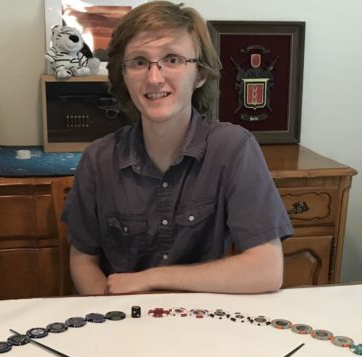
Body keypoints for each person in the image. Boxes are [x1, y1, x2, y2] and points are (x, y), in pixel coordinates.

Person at [61, 1, 294, 295]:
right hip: (125, 326)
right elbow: (83, 259)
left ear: (200, 74)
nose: (154, 77)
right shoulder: (98, 159)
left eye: (172, 59)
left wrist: (151, 278)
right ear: (123, 75)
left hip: (205, 323)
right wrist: (111, 318)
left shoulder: (233, 149)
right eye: (139, 61)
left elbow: (267, 270)